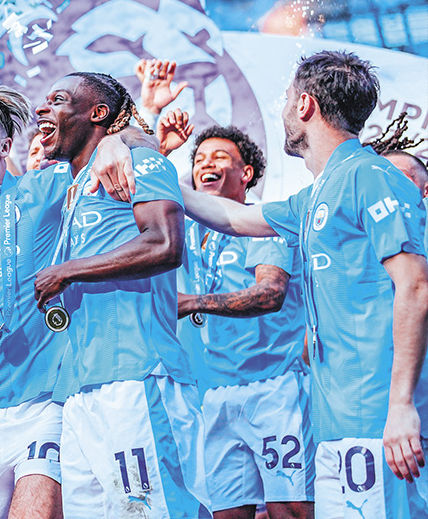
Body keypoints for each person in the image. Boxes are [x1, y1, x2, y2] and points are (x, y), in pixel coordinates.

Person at [180, 51, 428, 517]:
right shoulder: (314, 195)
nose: (282, 109)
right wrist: (150, 166)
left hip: (377, 415)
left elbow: (414, 287)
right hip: (333, 420)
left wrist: (401, 406)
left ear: (305, 106)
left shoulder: (371, 175)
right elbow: (232, 216)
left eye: (287, 98)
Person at [0, 83, 148, 518]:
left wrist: (118, 141)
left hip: (45, 405)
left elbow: (135, 139)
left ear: (6, 144)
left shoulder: (43, 189)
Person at [33, 72, 205, 516]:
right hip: (80, 389)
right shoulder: (72, 189)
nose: (41, 110)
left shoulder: (138, 163)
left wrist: (67, 272)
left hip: (137, 375)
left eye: (58, 100)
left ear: (97, 113)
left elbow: (165, 244)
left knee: (156, 512)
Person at [171, 126, 314, 519]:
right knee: (227, 514)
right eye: (199, 160)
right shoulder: (186, 232)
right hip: (213, 394)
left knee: (291, 509)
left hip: (274, 387)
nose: (206, 164)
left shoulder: (266, 221)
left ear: (246, 173)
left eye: (219, 157)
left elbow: (271, 293)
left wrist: (194, 303)